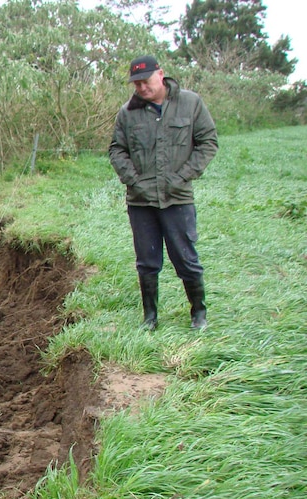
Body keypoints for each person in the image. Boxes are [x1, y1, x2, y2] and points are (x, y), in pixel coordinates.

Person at [109, 55, 218, 330]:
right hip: (141, 201)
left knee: (186, 258)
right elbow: (117, 150)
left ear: (160, 74)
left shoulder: (190, 103)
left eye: (146, 81)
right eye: (136, 84)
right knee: (147, 262)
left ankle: (199, 314)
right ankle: (150, 317)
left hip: (177, 198)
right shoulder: (128, 112)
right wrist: (133, 180)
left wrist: (182, 177)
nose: (142, 88)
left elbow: (208, 143)